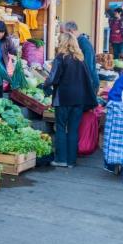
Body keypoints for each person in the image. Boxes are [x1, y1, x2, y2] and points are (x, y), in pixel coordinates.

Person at [43, 33, 97, 167]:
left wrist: (45, 85)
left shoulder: (60, 58)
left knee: (61, 128)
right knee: (73, 129)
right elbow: (88, 80)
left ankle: (61, 159)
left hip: (63, 99)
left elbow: (53, 78)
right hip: (78, 100)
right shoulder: (80, 59)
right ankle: (71, 161)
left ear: (63, 43)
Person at [62, 21, 98, 97]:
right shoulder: (75, 43)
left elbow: (88, 67)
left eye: (62, 33)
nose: (61, 35)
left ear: (70, 32)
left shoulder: (84, 44)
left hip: (89, 84)